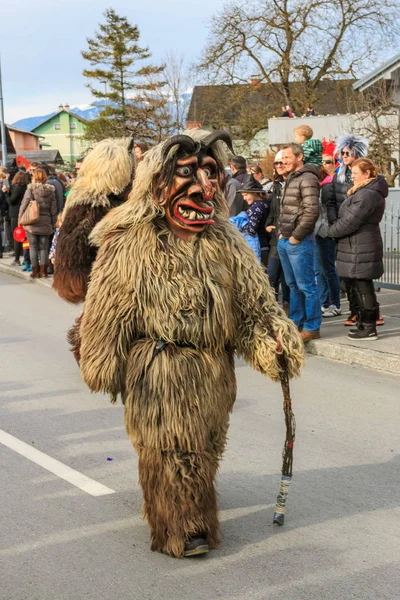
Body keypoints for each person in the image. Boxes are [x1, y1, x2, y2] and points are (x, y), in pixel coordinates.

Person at [78, 129, 304, 559]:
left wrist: (273, 339)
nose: (204, 187)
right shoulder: (129, 241)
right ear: (157, 184)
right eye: (187, 173)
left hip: (214, 370)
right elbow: (107, 308)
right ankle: (181, 529)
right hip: (159, 366)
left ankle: (186, 506)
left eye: (211, 173)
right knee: (169, 451)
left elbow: (254, 303)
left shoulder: (226, 241)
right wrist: (103, 360)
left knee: (206, 446)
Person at [53, 138, 135, 363]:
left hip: (118, 268)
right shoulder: (90, 203)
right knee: (99, 315)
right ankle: (88, 350)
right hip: (97, 269)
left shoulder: (115, 198)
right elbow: (74, 243)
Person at [325, 134, 384, 326]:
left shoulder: (364, 180)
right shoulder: (339, 175)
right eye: (341, 153)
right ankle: (355, 311)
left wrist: (337, 228)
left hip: (355, 229)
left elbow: (360, 210)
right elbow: (332, 200)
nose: (343, 156)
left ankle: (369, 317)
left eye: (347, 153)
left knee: (361, 278)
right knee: (347, 276)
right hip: (342, 227)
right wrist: (335, 222)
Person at [277, 143, 321, 341]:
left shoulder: (308, 178)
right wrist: (281, 234)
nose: (283, 161)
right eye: (282, 158)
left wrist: (296, 236)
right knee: (293, 286)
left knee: (306, 286)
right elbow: (286, 210)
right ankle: (296, 323)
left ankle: (312, 327)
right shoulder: (290, 179)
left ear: (299, 157)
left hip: (299, 241)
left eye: (287, 157)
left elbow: (311, 210)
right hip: (285, 240)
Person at [314, 154, 341, 317]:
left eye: (328, 162)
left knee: (328, 269)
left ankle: (335, 304)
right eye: (322, 162)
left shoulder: (334, 184)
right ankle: (325, 302)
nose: (324, 164)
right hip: (316, 231)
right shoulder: (318, 184)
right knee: (319, 270)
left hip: (325, 231)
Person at [18, 168, 57, 279]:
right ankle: (44, 272)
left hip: (31, 223)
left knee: (33, 247)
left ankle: (35, 272)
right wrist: (53, 223)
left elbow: (24, 205)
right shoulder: (50, 192)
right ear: (45, 178)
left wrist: (20, 220)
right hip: (45, 223)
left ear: (34, 177)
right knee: (44, 248)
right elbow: (53, 210)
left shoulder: (30, 190)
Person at [265, 151, 290, 311]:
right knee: (272, 275)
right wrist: (268, 224)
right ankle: (271, 310)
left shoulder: (294, 182)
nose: (279, 166)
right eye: (277, 163)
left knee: (289, 279)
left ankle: (289, 306)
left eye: (282, 162)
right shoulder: (275, 186)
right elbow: (273, 211)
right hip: (275, 238)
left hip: (291, 236)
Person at [230, 177, 270, 264]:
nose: (244, 198)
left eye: (246, 195)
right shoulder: (265, 203)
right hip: (266, 243)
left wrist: (240, 226)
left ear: (255, 193)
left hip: (259, 245)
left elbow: (250, 230)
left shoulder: (256, 207)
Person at [3, 171, 28, 265]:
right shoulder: (25, 187)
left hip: (15, 214)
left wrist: (6, 193)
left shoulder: (17, 189)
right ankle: (26, 258)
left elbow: (11, 201)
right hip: (23, 213)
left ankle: (17, 259)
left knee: (17, 236)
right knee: (24, 236)